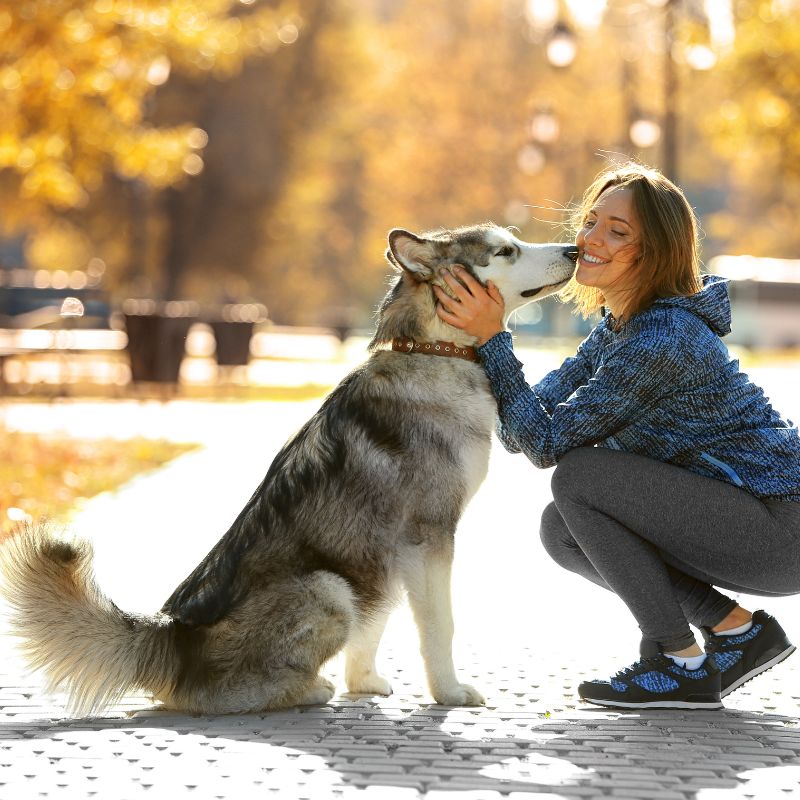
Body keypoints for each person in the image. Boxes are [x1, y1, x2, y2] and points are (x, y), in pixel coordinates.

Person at [433, 162, 800, 709]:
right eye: (591, 222)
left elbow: (544, 444)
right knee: (563, 530)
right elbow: (525, 428)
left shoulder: (662, 339)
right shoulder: (621, 327)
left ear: (654, 252)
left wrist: (493, 338)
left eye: (618, 232)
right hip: (750, 520)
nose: (590, 240)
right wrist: (492, 340)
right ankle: (736, 631)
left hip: (780, 528)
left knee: (582, 477)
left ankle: (678, 662)